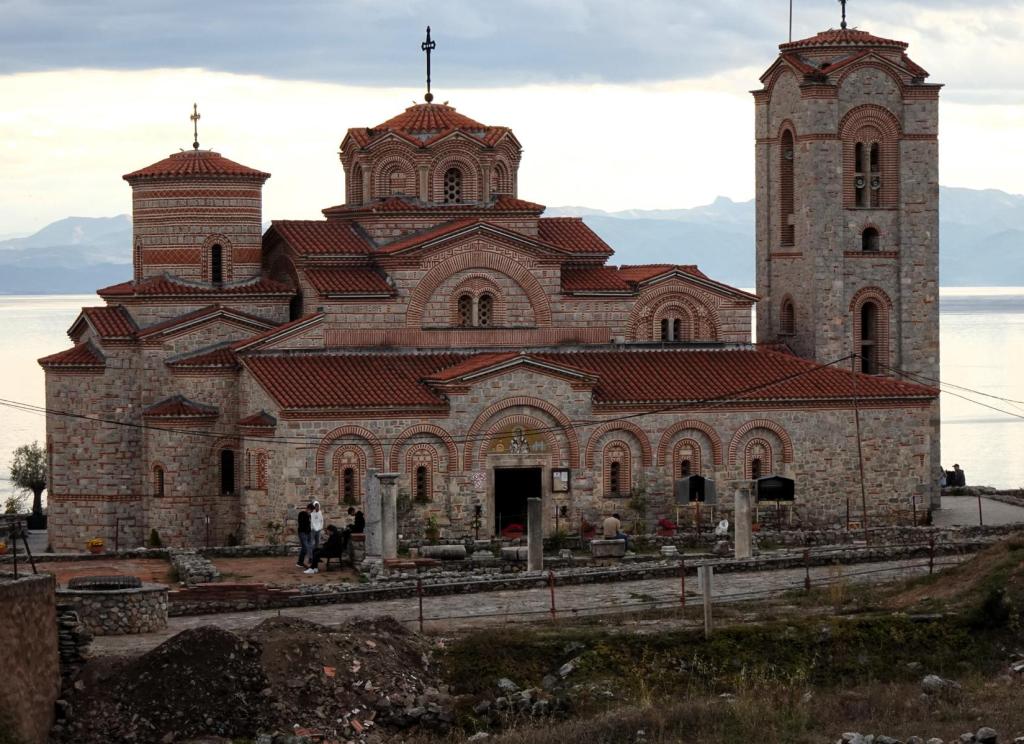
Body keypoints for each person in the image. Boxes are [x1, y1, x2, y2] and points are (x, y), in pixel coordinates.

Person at [296, 502, 314, 569]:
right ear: (308, 509)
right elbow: (302, 523)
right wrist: (307, 515)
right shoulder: (302, 514)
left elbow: (309, 525)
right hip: (302, 532)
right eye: (311, 510)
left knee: (308, 547)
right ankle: (300, 562)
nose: (311, 512)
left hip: (308, 533)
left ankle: (301, 562)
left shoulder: (309, 516)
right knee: (305, 547)